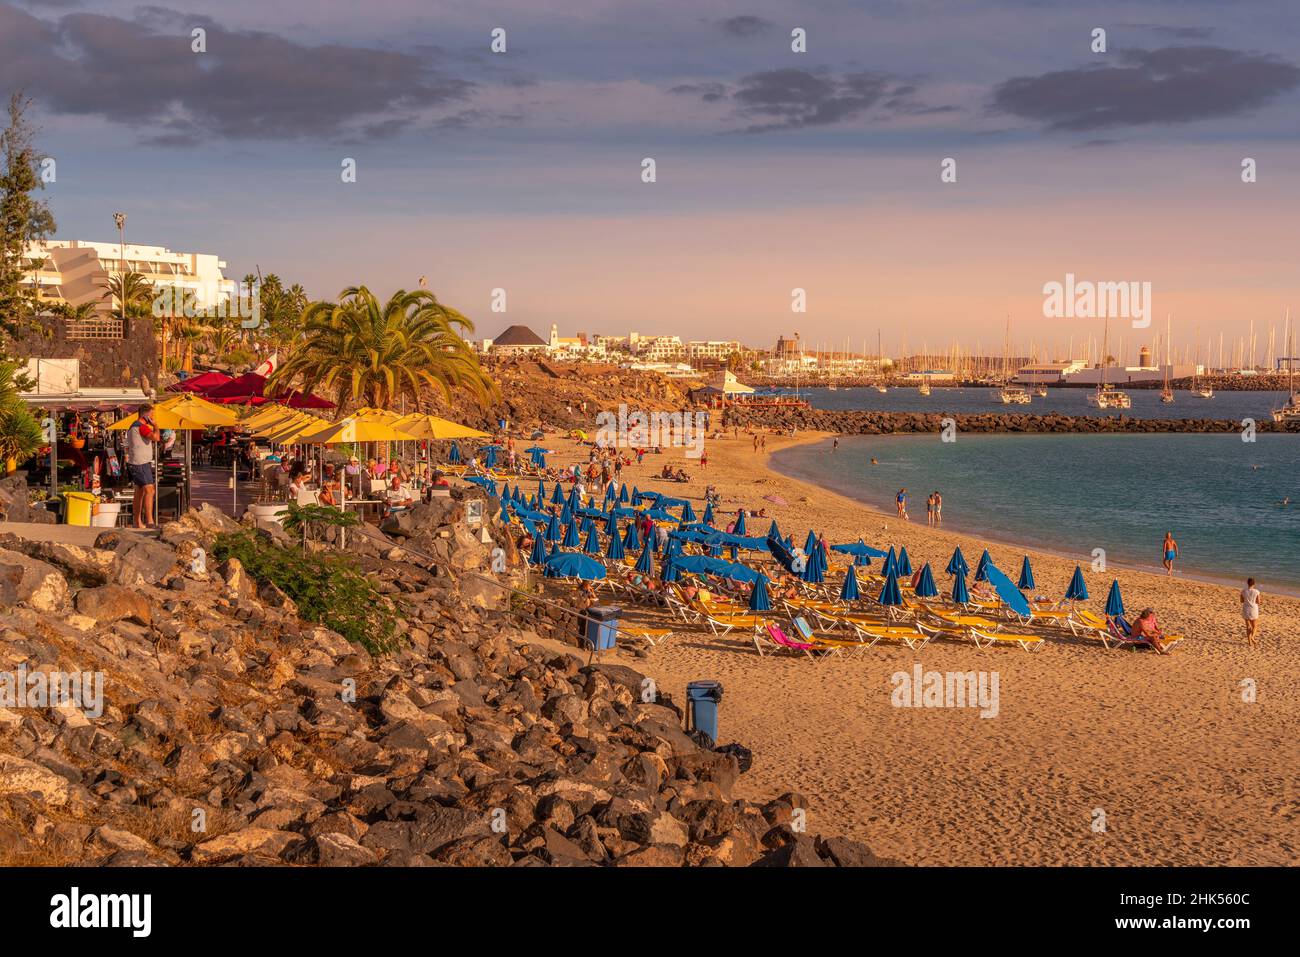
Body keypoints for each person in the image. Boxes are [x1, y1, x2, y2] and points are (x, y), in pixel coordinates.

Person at [125, 404, 157, 529]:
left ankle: (137, 522)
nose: (153, 417)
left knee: (139, 492)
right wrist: (156, 426)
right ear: (146, 415)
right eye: (152, 415)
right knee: (150, 490)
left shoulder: (133, 426)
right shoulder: (141, 427)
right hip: (141, 463)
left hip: (136, 463)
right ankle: (150, 521)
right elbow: (156, 437)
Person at [1240, 578, 1262, 647]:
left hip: (1246, 609)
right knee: (1254, 626)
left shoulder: (1243, 591)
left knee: (1248, 627)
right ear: (1254, 584)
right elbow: (1258, 602)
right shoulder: (1256, 591)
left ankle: (1249, 642)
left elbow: (1241, 601)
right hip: (1253, 609)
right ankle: (1252, 637)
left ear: (1247, 583)